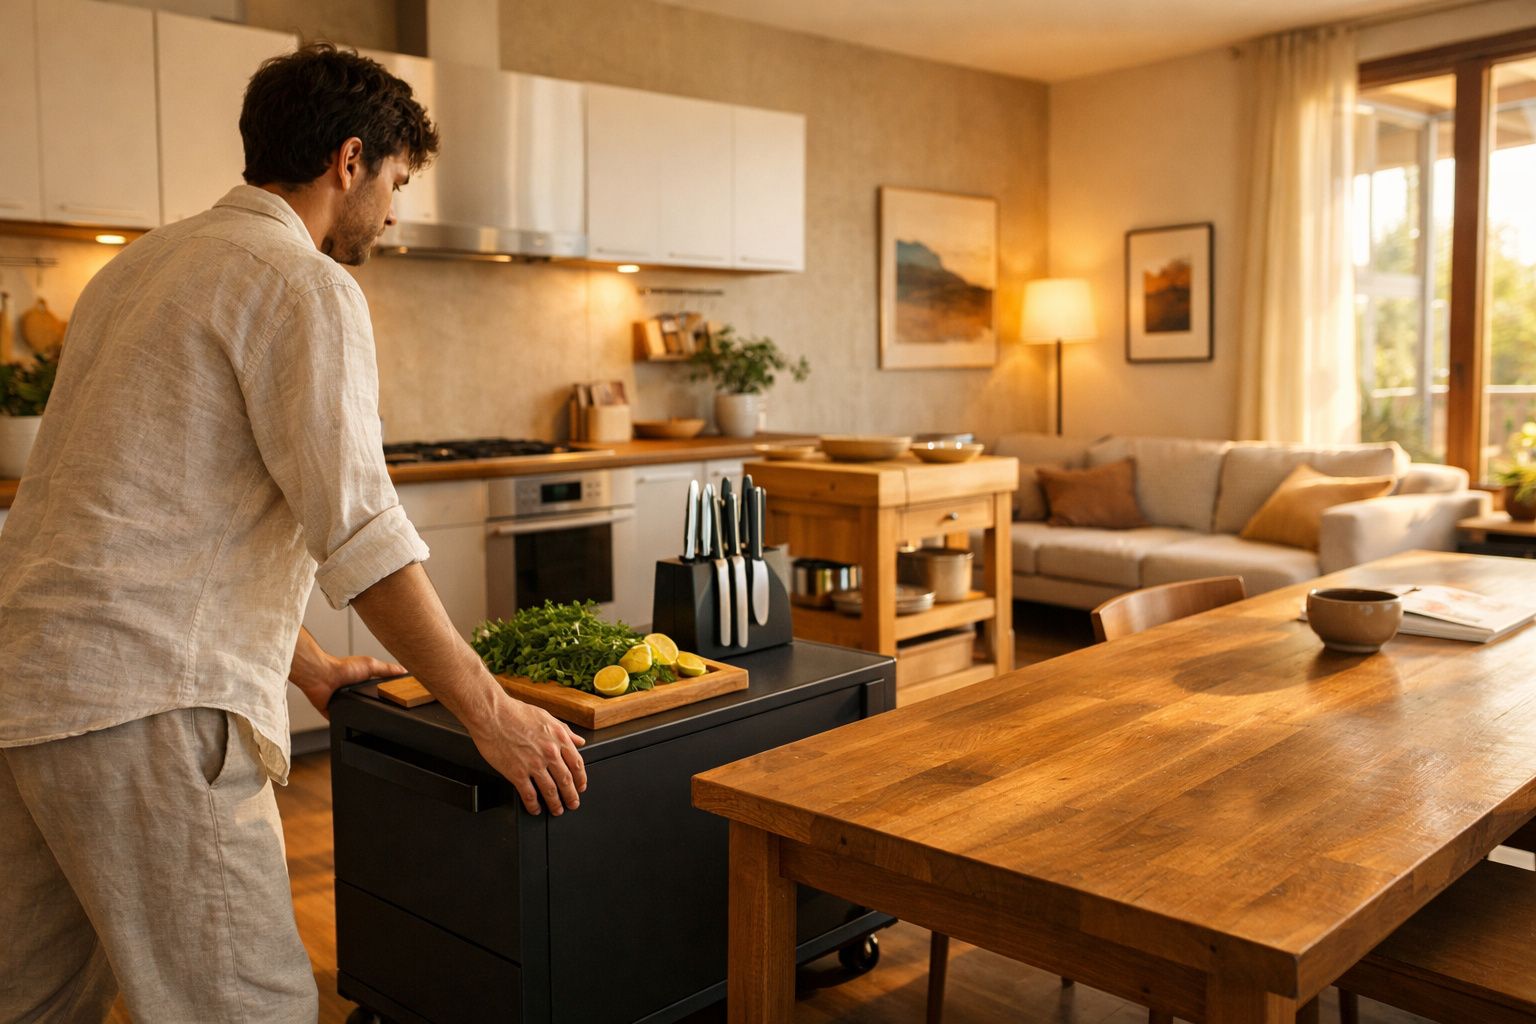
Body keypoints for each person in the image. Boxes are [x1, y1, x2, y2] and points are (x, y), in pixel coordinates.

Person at [0, 43, 585, 1022]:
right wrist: (494, 713)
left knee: (32, 1004)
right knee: (249, 1005)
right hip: (151, 716)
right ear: (349, 162)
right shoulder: (303, 283)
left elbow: (139, 518)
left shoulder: (133, 270)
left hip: (28, 701)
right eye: (395, 181)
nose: (394, 212)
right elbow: (363, 534)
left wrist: (303, 658)